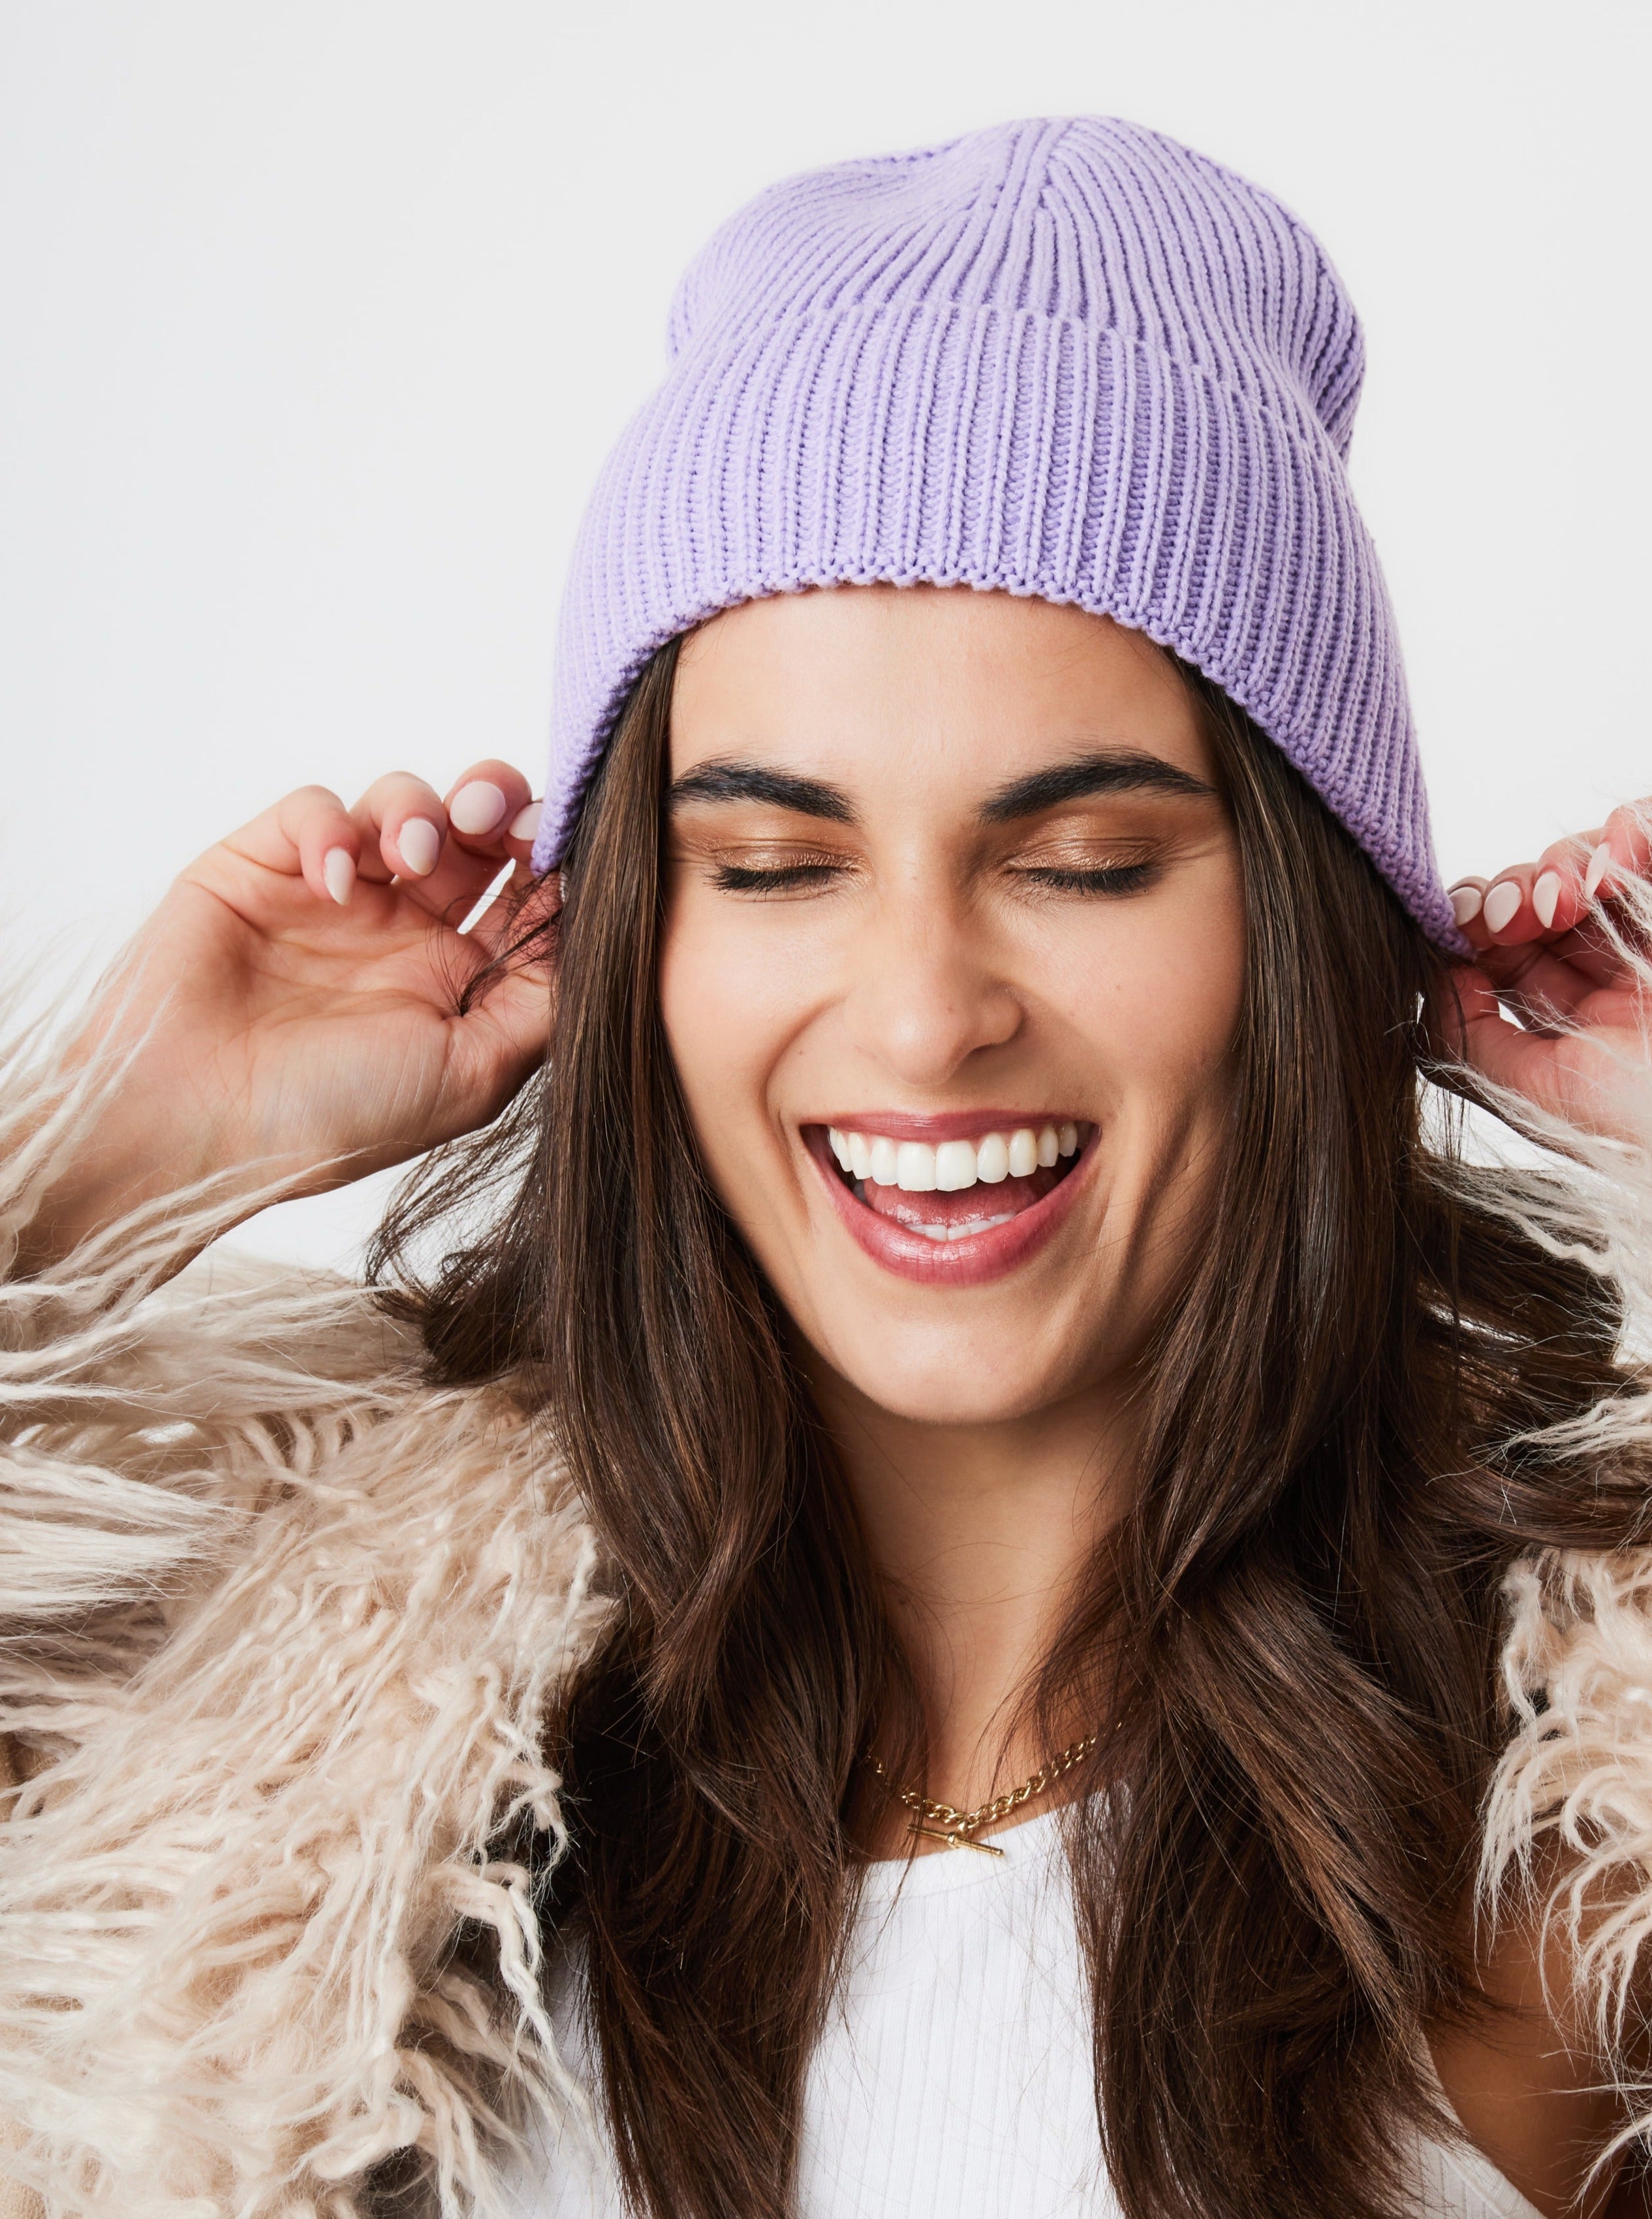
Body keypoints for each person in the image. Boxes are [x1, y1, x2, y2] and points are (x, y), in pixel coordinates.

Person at [3, 113, 1652, 2219]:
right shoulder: (268, 1762)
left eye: (1078, 862)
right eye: (775, 866)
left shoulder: (1567, 1861)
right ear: (638, 945)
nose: (917, 1012)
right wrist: (104, 1167)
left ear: (1304, 927)